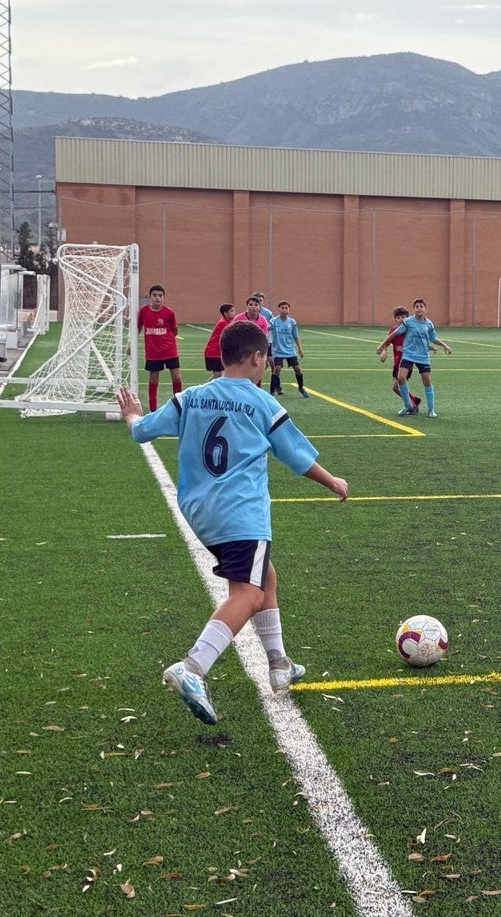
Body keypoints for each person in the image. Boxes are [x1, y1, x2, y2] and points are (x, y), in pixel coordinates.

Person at [116, 320, 349, 725]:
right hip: (242, 513)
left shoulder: (191, 397)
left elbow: (142, 431)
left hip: (200, 513)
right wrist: (332, 481)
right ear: (258, 358)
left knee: (265, 577)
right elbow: (295, 455)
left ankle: (279, 663)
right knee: (248, 592)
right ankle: (193, 667)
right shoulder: (262, 403)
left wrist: (133, 415)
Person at [374, 298, 452, 417]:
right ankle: (408, 405)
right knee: (400, 378)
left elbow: (432, 338)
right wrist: (382, 345)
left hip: (423, 356)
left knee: (426, 381)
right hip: (408, 355)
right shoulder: (408, 322)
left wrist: (444, 345)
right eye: (417, 306)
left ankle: (431, 409)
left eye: (421, 306)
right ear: (414, 309)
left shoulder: (429, 324)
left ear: (425, 308)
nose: (419, 308)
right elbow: (394, 334)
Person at [138, 284, 182, 411]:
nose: (157, 298)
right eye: (154, 295)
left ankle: (178, 406)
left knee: (177, 377)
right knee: (153, 379)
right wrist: (131, 343)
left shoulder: (169, 312)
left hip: (169, 350)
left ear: (163, 297)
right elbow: (138, 327)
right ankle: (153, 409)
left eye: (160, 296)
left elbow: (175, 330)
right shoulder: (144, 311)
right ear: (150, 296)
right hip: (153, 352)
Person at [377, 306, 421, 412]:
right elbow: (386, 344)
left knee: (396, 387)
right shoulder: (394, 331)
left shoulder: (410, 331)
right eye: (398, 317)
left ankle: (412, 405)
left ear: (407, 318)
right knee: (398, 387)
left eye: (403, 317)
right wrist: (384, 353)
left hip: (407, 362)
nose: (401, 319)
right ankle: (414, 400)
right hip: (397, 363)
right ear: (395, 319)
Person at [268, 300, 309, 398]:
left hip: (290, 350)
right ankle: (272, 390)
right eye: (282, 308)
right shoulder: (273, 321)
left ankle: (301, 387)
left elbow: (295, 336)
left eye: (286, 308)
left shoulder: (292, 322)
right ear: (279, 309)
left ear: (289, 309)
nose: (284, 310)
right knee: (276, 369)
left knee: (298, 369)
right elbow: (266, 329)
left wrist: (300, 349)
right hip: (277, 350)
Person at [202, 302, 236, 377]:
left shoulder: (227, 322)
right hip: (213, 352)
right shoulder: (223, 323)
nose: (234, 313)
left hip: (218, 352)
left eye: (234, 311)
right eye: (232, 311)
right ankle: (204, 388)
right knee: (218, 374)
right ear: (225, 313)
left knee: (221, 375)